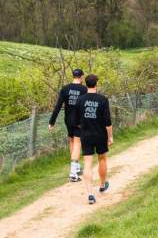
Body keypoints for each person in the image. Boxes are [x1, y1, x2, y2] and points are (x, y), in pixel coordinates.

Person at [73, 74, 113, 205]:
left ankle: (90, 194)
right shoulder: (103, 99)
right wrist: (110, 136)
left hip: (86, 135)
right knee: (102, 158)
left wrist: (84, 126)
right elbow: (107, 122)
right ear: (96, 84)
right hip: (100, 134)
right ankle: (102, 185)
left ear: (86, 84)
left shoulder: (80, 100)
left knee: (88, 163)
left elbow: (76, 121)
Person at [48, 68, 87, 182]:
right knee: (78, 143)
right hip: (79, 122)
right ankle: (73, 173)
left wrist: (52, 121)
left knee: (72, 141)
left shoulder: (65, 89)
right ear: (81, 77)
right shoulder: (84, 89)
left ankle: (76, 167)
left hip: (68, 120)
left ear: (73, 76)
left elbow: (58, 106)